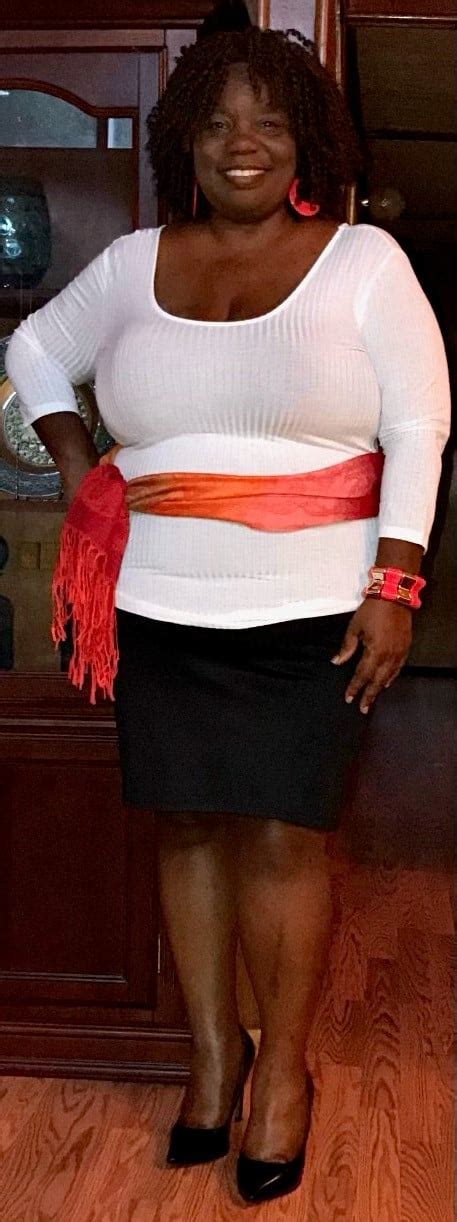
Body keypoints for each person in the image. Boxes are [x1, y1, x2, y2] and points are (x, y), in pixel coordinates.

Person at [5, 14, 450, 1206]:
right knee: (190, 829)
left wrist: (395, 584)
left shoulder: (363, 263)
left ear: (306, 142)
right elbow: (36, 349)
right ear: (184, 142)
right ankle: (214, 1058)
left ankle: (284, 1074)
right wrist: (74, 459)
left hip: (315, 610)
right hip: (157, 600)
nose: (240, 140)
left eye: (266, 120)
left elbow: (418, 428)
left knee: (282, 838)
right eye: (215, 121)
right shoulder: (130, 266)